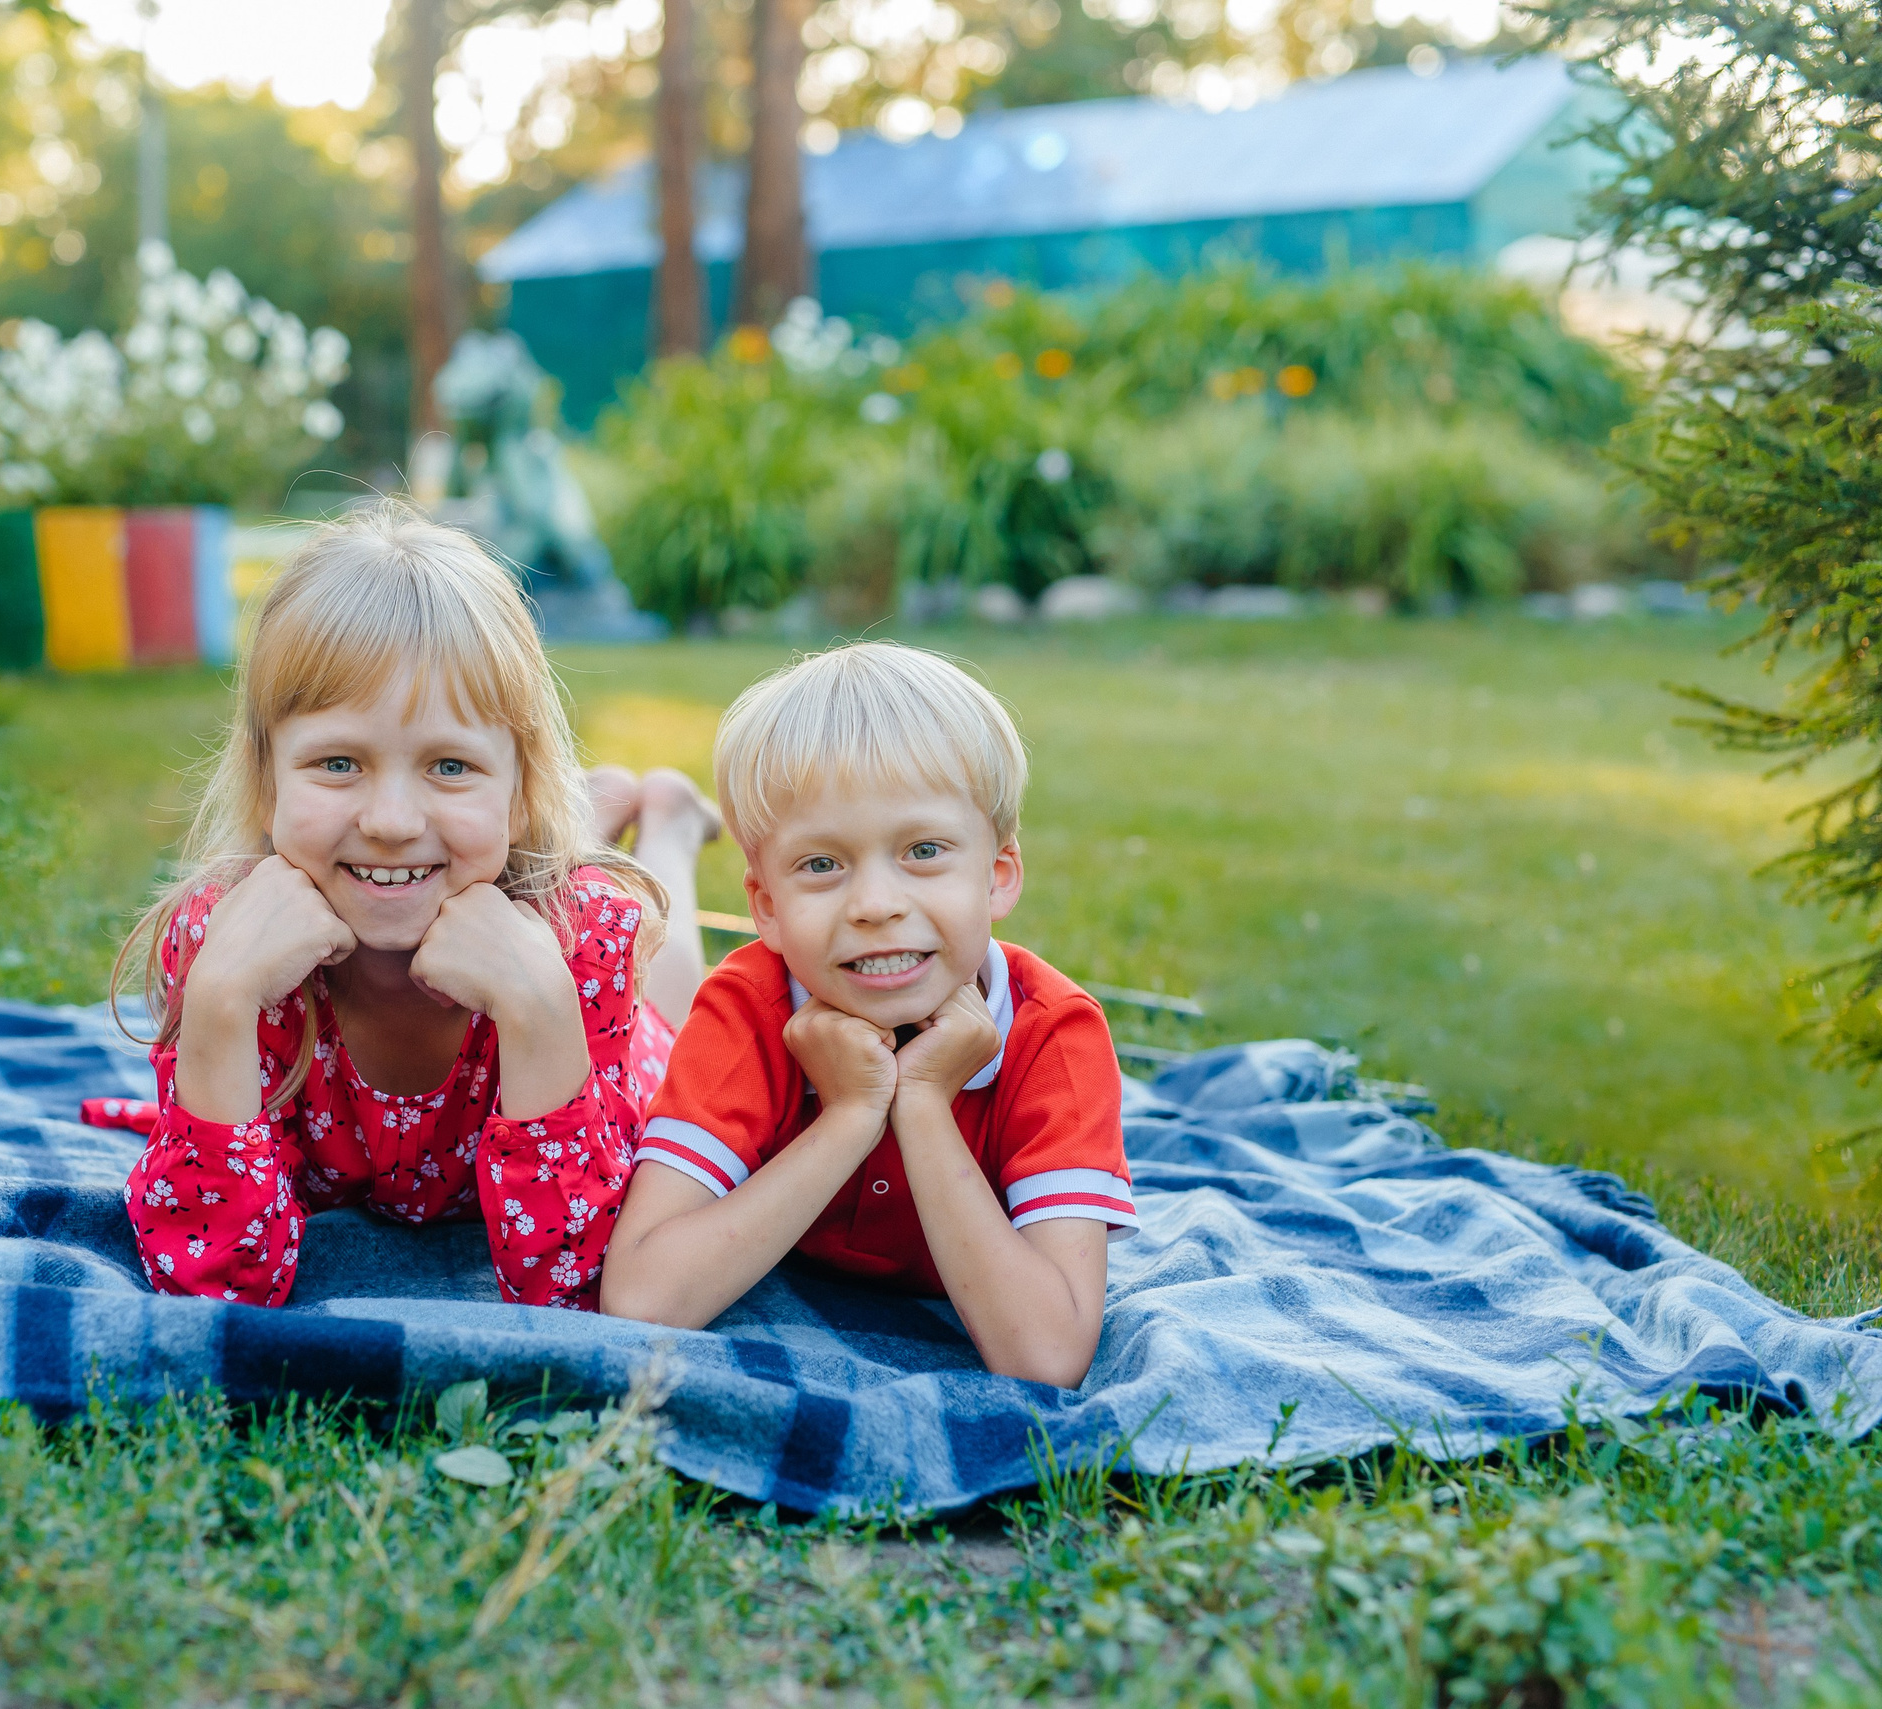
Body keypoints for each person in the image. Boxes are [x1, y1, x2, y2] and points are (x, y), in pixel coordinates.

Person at [92, 505, 719, 1310]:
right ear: (266, 779)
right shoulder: (224, 943)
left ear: (521, 791)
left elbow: (574, 1288)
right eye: (339, 761)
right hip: (484, 866)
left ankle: (667, 820)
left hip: (608, 1037)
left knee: (669, 994)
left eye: (450, 764)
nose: (390, 821)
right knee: (484, 856)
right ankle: (583, 805)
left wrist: (541, 1010)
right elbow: (213, 1283)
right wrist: (218, 1003)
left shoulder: (583, 940)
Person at [597, 641, 1135, 1385]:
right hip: (660, 1040)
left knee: (659, 990)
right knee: (645, 983)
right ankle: (662, 833)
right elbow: (641, 1300)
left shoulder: (1055, 1036)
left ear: (999, 875)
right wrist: (850, 1114)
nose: (876, 904)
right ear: (767, 907)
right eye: (822, 864)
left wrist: (921, 1101)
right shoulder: (748, 1007)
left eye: (922, 850)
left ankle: (669, 823)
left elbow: (1045, 1356)